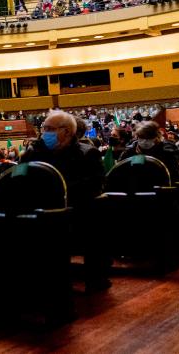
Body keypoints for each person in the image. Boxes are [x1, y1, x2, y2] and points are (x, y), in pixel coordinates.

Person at [21, 111, 108, 290]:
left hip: (74, 215)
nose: (44, 133)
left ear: (67, 132)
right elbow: (21, 180)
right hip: (37, 212)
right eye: (43, 128)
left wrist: (53, 194)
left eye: (49, 129)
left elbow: (90, 188)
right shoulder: (34, 152)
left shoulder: (87, 154)